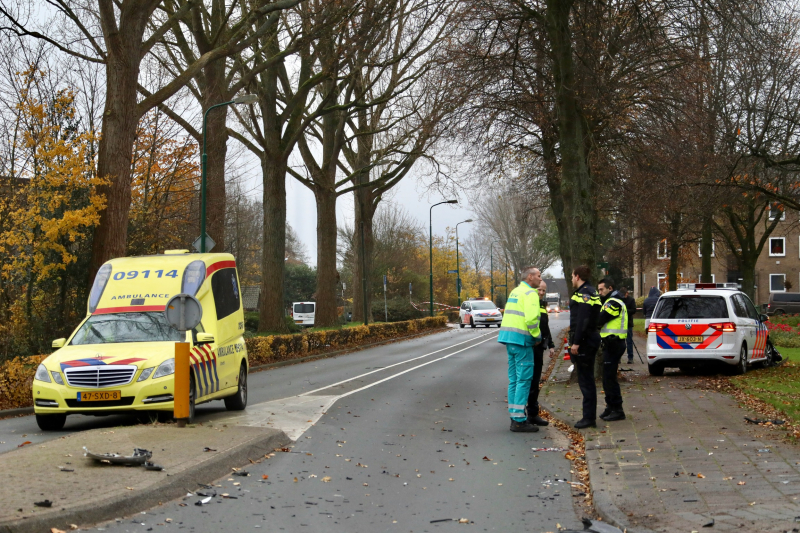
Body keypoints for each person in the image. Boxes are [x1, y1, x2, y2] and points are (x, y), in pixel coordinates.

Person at [498, 266, 542, 432]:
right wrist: (537, 336)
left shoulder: (515, 291)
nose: (540, 278)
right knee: (524, 381)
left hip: (510, 341)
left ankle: (514, 416)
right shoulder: (530, 293)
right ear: (530, 277)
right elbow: (531, 319)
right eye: (538, 275)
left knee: (515, 380)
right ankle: (519, 420)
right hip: (523, 342)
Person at [568, 265, 601, 429]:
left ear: (578, 276)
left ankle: (588, 418)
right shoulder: (592, 291)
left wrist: (576, 342)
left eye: (573, 276)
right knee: (586, 379)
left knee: (586, 380)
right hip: (591, 338)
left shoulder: (584, 294)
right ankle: (589, 416)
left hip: (585, 341)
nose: (572, 279)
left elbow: (583, 319)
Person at [597, 278, 628, 421]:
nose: (600, 292)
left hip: (615, 343)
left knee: (610, 378)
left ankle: (618, 409)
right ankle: (610, 406)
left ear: (610, 288)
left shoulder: (614, 302)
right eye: (598, 290)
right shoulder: (610, 302)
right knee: (606, 377)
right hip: (610, 343)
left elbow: (600, 319)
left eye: (602, 290)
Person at [526, 280, 556, 426]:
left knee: (535, 380)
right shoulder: (529, 303)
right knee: (527, 380)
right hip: (529, 346)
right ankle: (525, 413)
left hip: (539, 348)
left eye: (543, 290)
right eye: (539, 290)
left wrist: (550, 345)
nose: (541, 293)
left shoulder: (543, 305)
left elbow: (545, 327)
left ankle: (532, 413)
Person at [619, 287, 637, 364]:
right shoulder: (619, 300)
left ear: (627, 293)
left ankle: (630, 357)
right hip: (620, 324)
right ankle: (618, 357)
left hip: (628, 323)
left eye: (625, 295)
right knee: (619, 341)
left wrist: (625, 311)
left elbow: (634, 310)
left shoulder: (631, 300)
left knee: (629, 341)